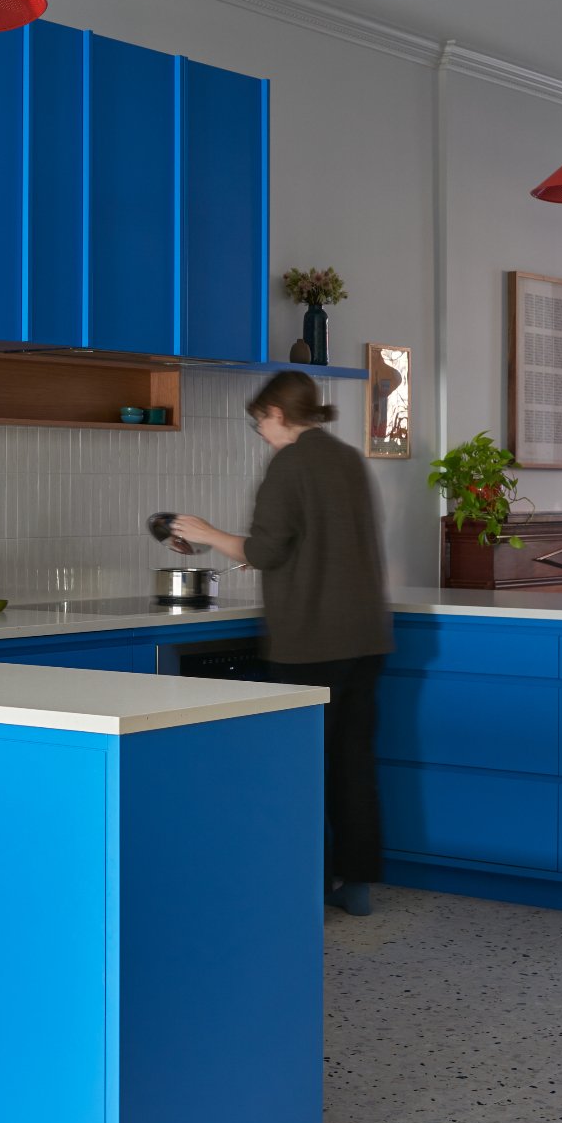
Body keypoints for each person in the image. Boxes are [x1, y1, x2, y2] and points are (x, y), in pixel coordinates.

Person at [170, 370, 392, 917]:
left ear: (275, 414)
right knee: (352, 763)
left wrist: (204, 534)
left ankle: (305, 889)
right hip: (366, 638)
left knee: (300, 769)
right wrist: (239, 549)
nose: (261, 433)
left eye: (258, 423)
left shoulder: (289, 464)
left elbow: (268, 551)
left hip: (311, 642)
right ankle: (357, 886)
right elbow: (312, 544)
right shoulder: (347, 459)